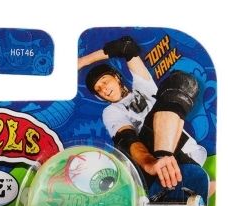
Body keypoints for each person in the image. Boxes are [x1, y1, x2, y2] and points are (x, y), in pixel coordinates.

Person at [79, 36, 208, 190]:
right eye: (99, 90)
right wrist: (149, 163)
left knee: (182, 81)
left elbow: (127, 47)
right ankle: (164, 161)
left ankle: (178, 171)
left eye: (105, 81)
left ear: (117, 78)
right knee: (128, 141)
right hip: (152, 159)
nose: (104, 89)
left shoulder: (143, 87)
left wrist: (81, 62)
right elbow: (127, 139)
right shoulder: (111, 111)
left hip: (191, 154)